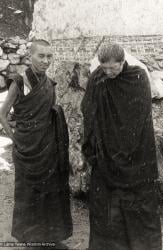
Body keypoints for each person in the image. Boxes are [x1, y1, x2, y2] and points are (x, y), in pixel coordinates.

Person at [81, 43, 162, 250]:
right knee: (107, 209)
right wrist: (93, 146)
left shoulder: (138, 76)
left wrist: (124, 149)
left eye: (113, 68)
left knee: (139, 207)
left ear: (122, 62)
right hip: (106, 154)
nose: (108, 72)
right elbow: (87, 110)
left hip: (136, 155)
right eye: (104, 68)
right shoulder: (97, 78)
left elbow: (141, 115)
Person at [0, 39, 72, 249]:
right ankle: (32, 239)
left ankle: (51, 236)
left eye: (49, 56)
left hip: (48, 146)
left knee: (51, 190)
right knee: (29, 193)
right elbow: (2, 114)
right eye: (41, 56)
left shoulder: (50, 83)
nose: (46, 61)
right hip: (27, 148)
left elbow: (50, 114)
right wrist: (16, 140)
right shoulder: (20, 81)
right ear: (30, 56)